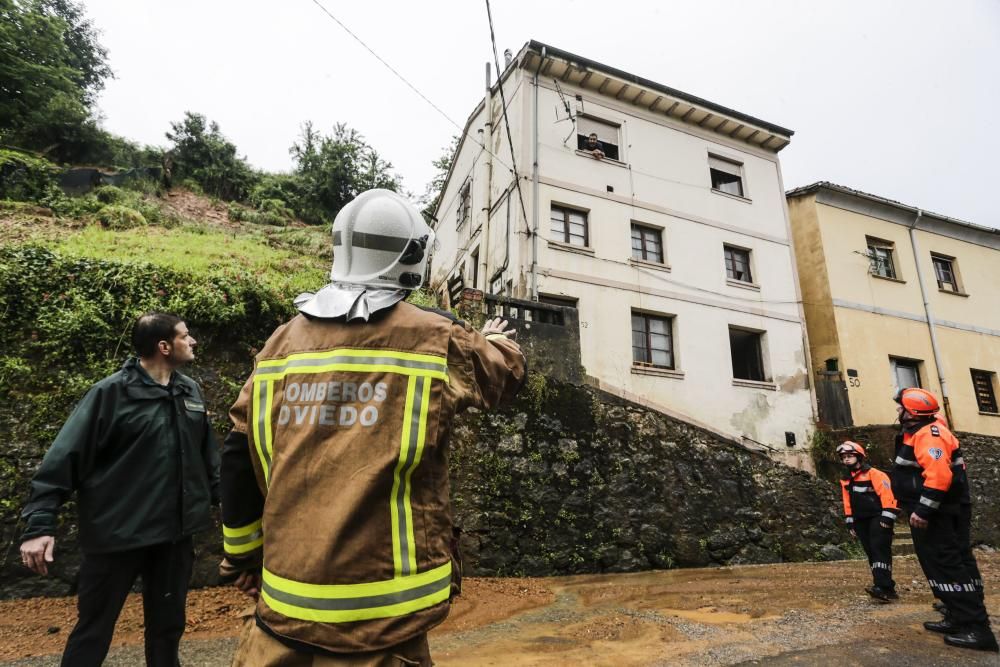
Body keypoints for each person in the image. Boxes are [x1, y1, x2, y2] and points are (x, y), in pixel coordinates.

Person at [220, 188, 526, 665]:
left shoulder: (280, 344)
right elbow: (502, 377)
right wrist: (492, 340)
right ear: (412, 256)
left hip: (281, 617)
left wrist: (242, 556)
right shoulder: (435, 337)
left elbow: (237, 454)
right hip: (386, 622)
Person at [19, 312, 221, 666]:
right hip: (117, 538)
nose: (192, 342)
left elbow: (209, 462)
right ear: (163, 346)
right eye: (185, 336)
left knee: (167, 629)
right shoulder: (110, 393)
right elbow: (64, 459)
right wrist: (40, 526)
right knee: (94, 628)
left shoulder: (189, 391)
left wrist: (237, 511)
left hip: (174, 538)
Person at [890, 387, 998, 652]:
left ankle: (976, 628)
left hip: (938, 512)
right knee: (953, 562)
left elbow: (939, 477)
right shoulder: (923, 431)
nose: (898, 410)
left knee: (948, 563)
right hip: (946, 509)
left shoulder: (929, 435)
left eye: (901, 407)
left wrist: (923, 510)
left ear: (911, 412)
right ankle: (958, 616)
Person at [837, 441, 898, 602]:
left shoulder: (875, 474)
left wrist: (887, 517)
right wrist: (850, 522)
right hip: (860, 520)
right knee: (871, 552)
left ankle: (882, 586)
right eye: (844, 457)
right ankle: (886, 586)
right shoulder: (845, 479)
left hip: (878, 517)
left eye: (850, 456)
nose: (846, 459)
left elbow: (887, 496)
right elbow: (847, 501)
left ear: (859, 456)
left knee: (879, 549)